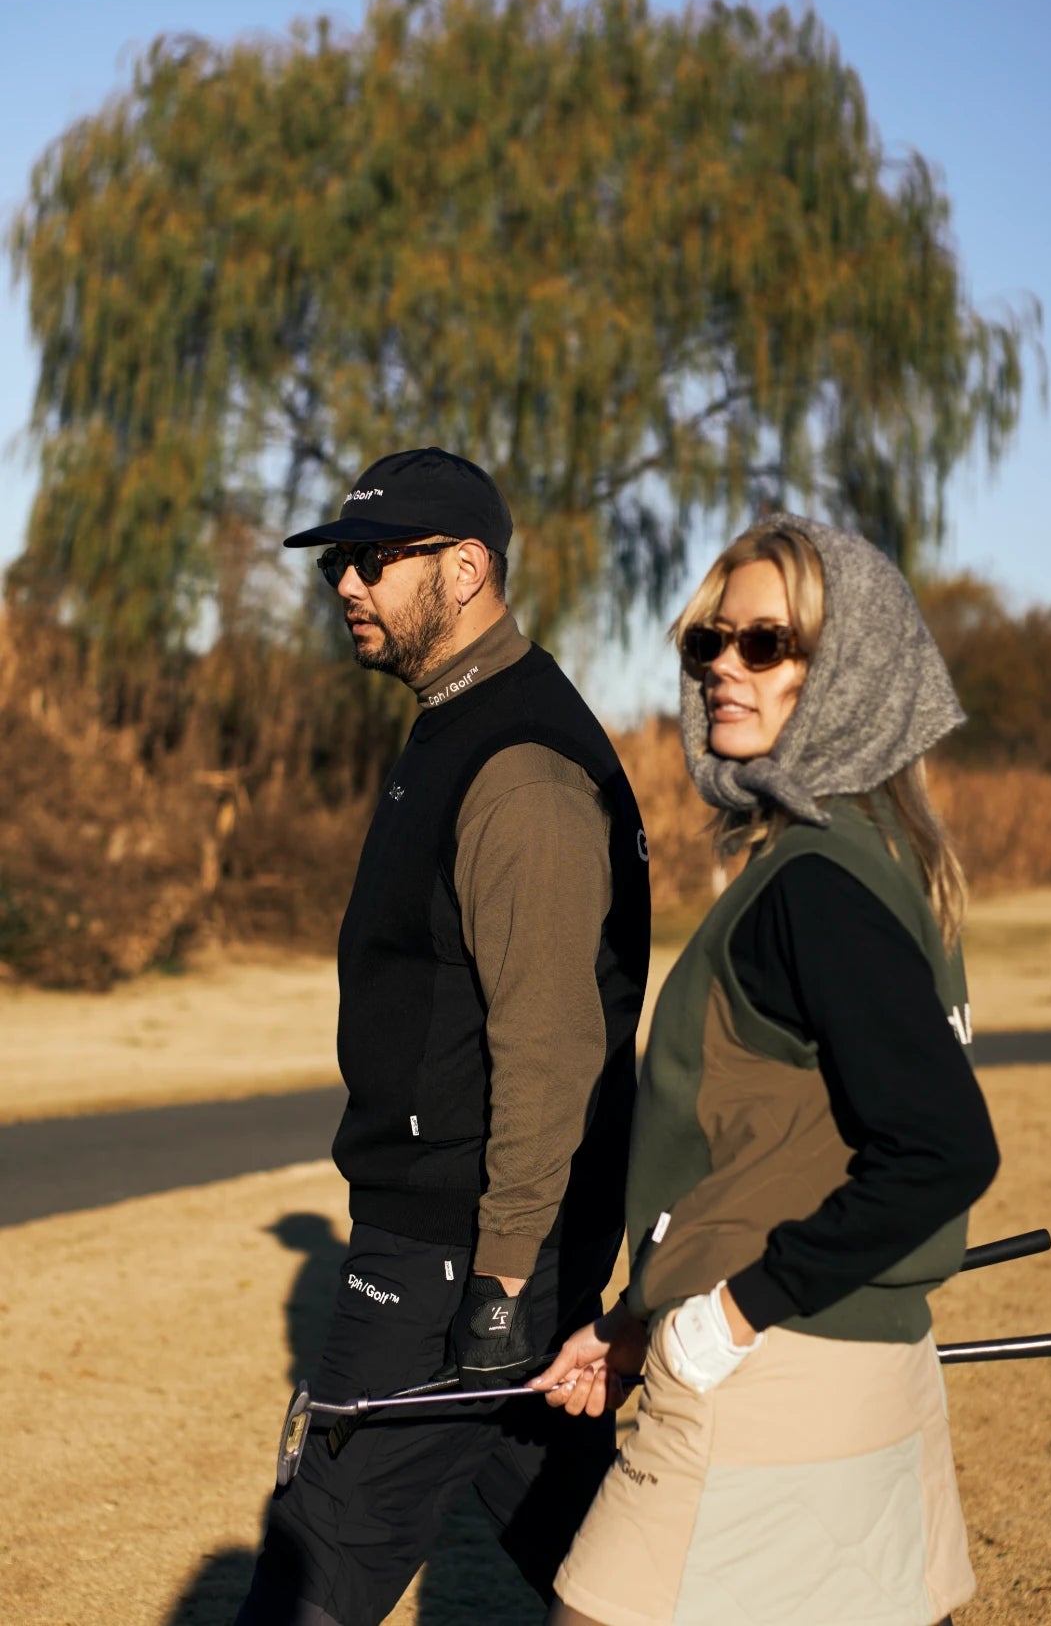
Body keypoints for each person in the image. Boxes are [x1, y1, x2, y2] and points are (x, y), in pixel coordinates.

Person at [533, 515, 1000, 1626]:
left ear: (847, 669)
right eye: (708, 640)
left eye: (766, 643)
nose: (721, 669)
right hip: (864, 1358)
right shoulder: (877, 857)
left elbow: (942, 1150)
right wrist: (638, 1316)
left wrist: (730, 1316)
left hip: (774, 1379)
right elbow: (785, 1143)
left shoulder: (815, 885)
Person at [237, 447, 651, 1625]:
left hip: (458, 1250)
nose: (345, 585)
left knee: (319, 1556)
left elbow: (549, 1043)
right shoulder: (459, 722)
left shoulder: (519, 767)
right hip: (477, 1242)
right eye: (339, 564)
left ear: (465, 570)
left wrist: (504, 1281)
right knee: (600, 1556)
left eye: (373, 560)